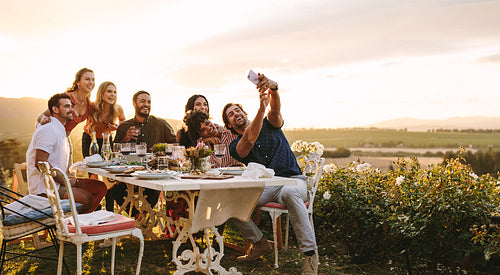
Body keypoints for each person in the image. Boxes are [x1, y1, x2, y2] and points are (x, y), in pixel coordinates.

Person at [222, 74, 318, 274]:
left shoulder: (270, 123)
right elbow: (248, 141)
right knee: (231, 202)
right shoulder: (234, 146)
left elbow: (275, 110)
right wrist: (260, 108)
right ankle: (259, 243)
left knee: (291, 193)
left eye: (237, 110)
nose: (235, 114)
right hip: (265, 187)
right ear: (229, 125)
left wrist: (274, 89)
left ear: (244, 113)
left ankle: (310, 256)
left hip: (292, 182)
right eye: (231, 114)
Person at [27, 93, 107, 214]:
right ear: (55, 109)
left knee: (100, 187)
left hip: (59, 181)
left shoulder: (60, 130)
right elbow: (40, 162)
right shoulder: (49, 129)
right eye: (67, 106)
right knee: (86, 199)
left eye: (71, 106)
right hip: (47, 188)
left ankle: (77, 221)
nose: (71, 110)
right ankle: (71, 225)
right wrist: (65, 181)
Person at [112, 90, 176, 217]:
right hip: (129, 176)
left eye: (149, 102)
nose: (146, 104)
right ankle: (138, 217)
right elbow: (114, 151)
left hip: (152, 175)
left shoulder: (160, 124)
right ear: (134, 104)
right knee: (116, 191)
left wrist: (162, 149)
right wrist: (125, 139)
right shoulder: (124, 126)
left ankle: (141, 217)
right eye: (142, 101)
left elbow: (176, 145)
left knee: (155, 189)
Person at [37, 68, 95, 133]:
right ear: (78, 82)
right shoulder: (67, 99)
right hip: (49, 133)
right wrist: (43, 119)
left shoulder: (88, 104)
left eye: (93, 80)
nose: (91, 82)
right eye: (87, 79)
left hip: (64, 136)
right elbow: (41, 116)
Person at [82, 81, 125, 157]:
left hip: (107, 140)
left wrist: (117, 127)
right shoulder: (92, 106)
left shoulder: (118, 108)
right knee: (90, 165)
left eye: (114, 92)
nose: (113, 95)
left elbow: (122, 120)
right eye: (109, 91)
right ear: (101, 93)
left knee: (106, 164)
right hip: (90, 139)